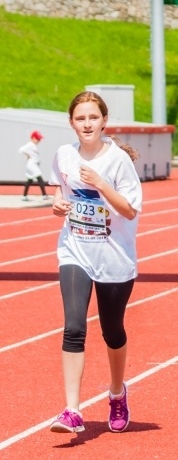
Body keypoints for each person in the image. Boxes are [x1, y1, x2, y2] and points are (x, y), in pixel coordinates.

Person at [48, 91, 143, 434]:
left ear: (104, 121)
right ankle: (72, 409)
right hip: (75, 250)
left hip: (114, 258)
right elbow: (60, 188)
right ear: (71, 123)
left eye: (92, 117)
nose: (86, 124)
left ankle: (117, 392)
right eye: (80, 118)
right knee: (74, 327)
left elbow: (130, 210)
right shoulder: (64, 155)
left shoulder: (118, 161)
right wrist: (58, 203)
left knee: (112, 331)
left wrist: (101, 183)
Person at [19, 130, 50, 201]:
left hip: (33, 164)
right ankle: (44, 195)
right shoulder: (30, 144)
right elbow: (21, 150)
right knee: (39, 177)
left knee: (29, 180)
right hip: (31, 164)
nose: (39, 140)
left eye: (39, 139)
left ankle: (24, 196)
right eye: (38, 139)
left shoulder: (33, 146)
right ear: (33, 138)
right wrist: (28, 155)